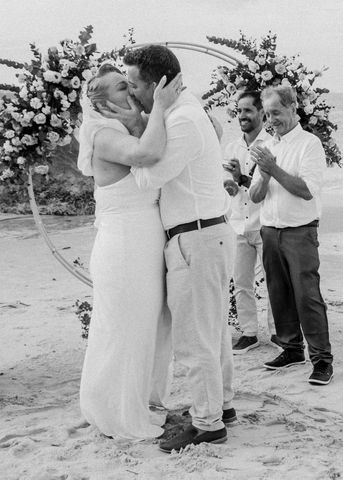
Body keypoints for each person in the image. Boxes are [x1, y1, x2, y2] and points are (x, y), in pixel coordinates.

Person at [108, 45, 236, 452]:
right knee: (212, 332)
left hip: (194, 237)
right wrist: (145, 118)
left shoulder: (180, 120)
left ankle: (207, 423)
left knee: (194, 337)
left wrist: (142, 125)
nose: (131, 94)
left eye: (134, 86)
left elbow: (149, 179)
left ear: (159, 84)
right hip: (205, 233)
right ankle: (221, 405)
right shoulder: (185, 112)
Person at [77, 63, 182, 439]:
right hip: (124, 244)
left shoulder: (124, 127)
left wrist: (145, 116)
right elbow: (147, 154)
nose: (131, 91)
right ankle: (115, 413)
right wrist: (158, 108)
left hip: (144, 240)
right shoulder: (103, 134)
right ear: (102, 104)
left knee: (147, 326)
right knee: (124, 328)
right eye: (122, 88)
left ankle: (137, 401)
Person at [249, 85, 334, 385]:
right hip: (270, 229)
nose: (271, 120)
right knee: (278, 293)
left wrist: (273, 168)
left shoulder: (309, 144)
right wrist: (264, 173)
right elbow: (256, 195)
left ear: (293, 108)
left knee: (307, 296)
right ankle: (291, 348)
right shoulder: (268, 146)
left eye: (276, 112)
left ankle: (322, 359)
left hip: (299, 230)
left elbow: (307, 190)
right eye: (268, 114)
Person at [223, 90, 277, 354]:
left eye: (248, 110)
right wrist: (230, 186)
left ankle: (278, 331)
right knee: (240, 282)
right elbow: (226, 184)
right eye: (239, 110)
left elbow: (269, 186)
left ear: (261, 114)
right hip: (238, 223)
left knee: (273, 281)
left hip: (263, 221)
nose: (242, 115)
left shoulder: (270, 145)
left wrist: (241, 178)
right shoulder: (231, 147)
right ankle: (249, 333)